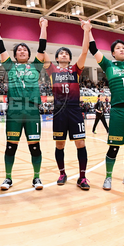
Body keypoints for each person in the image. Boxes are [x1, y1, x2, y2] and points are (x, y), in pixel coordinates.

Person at [87, 17, 124, 190]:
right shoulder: (108, 65)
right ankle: (108, 177)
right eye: (118, 48)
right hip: (118, 111)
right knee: (113, 148)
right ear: (113, 53)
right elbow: (93, 49)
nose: (121, 49)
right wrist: (88, 30)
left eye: (123, 48)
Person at [0, 17, 48, 191]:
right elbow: (1, 48)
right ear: (15, 55)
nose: (22, 51)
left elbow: (42, 47)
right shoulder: (10, 67)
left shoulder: (35, 67)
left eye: (24, 49)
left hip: (32, 110)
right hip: (14, 110)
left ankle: (36, 177)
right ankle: (8, 178)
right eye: (18, 50)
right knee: (11, 146)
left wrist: (43, 27)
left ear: (28, 54)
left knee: (35, 146)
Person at [43, 19, 92, 190]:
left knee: (81, 144)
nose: (63, 55)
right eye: (61, 53)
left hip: (74, 110)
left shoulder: (75, 69)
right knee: (60, 145)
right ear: (56, 58)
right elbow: (42, 50)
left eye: (66, 53)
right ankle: (62, 173)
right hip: (59, 111)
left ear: (70, 58)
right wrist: (43, 27)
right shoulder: (52, 70)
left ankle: (82, 178)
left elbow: (84, 51)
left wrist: (86, 30)